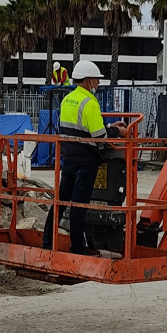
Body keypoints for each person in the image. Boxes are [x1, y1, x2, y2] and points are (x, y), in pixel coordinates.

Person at [43, 60, 128, 255]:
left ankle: (47, 243)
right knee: (79, 206)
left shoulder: (68, 100)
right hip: (86, 162)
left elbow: (79, 128)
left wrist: (110, 127)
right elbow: (100, 137)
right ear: (89, 80)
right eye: (97, 80)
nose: (97, 84)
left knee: (61, 202)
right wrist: (118, 132)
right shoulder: (89, 102)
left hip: (69, 158)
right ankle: (78, 248)